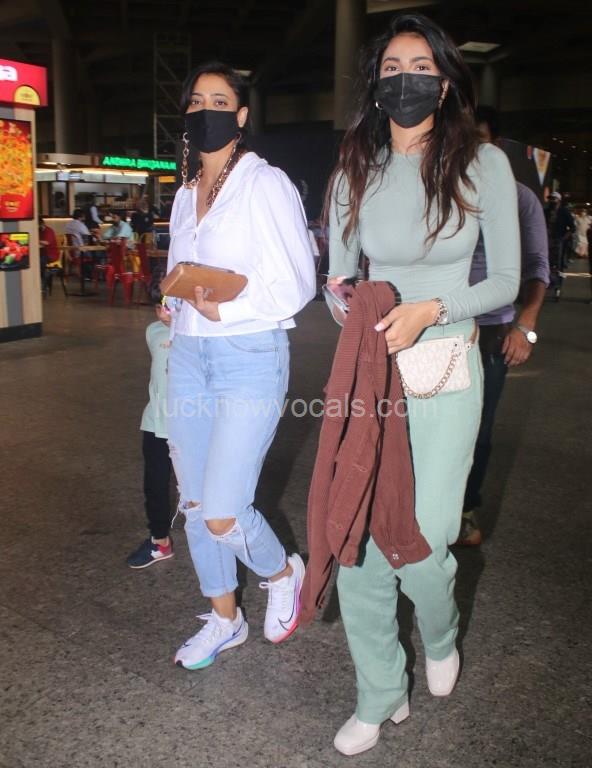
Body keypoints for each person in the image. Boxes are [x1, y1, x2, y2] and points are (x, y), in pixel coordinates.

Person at [319, 14, 520, 755]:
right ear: (376, 83)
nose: (405, 78)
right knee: (359, 541)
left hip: (446, 367)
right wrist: (346, 299)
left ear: (443, 83)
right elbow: (339, 277)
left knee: (424, 539)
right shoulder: (355, 167)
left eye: (420, 66)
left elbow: (505, 281)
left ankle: (441, 631)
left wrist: (431, 309)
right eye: (391, 67)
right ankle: (379, 693)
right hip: (375, 371)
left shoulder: (483, 163)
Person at [165, 61, 316, 670]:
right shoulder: (183, 194)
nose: (207, 111)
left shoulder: (264, 183)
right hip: (187, 355)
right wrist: (175, 301)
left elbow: (299, 283)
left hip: (249, 355)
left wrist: (227, 308)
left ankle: (282, 572)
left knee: (225, 512)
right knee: (195, 505)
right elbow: (183, 273)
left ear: (242, 115)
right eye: (197, 101)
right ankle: (225, 619)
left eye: (220, 101)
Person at [458, 107, 550, 546]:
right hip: (436, 326)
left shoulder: (520, 198)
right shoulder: (440, 187)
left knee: (478, 426)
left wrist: (525, 326)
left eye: (478, 138)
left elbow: (537, 265)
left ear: (495, 145)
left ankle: (464, 508)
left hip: (491, 331)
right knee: (419, 421)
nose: (469, 147)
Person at [127, 268, 175, 569]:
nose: (163, 314)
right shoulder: (153, 332)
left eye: (169, 306)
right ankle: (160, 541)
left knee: (197, 492)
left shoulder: (200, 334)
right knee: (154, 486)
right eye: (159, 307)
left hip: (188, 425)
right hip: (155, 423)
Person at [39, 217, 59, 293]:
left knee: (40, 262)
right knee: (36, 261)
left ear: (42, 224)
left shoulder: (49, 231)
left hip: (51, 255)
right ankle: (42, 284)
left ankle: (43, 285)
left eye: (39, 225)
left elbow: (47, 242)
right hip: (43, 254)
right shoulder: (40, 231)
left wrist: (36, 240)